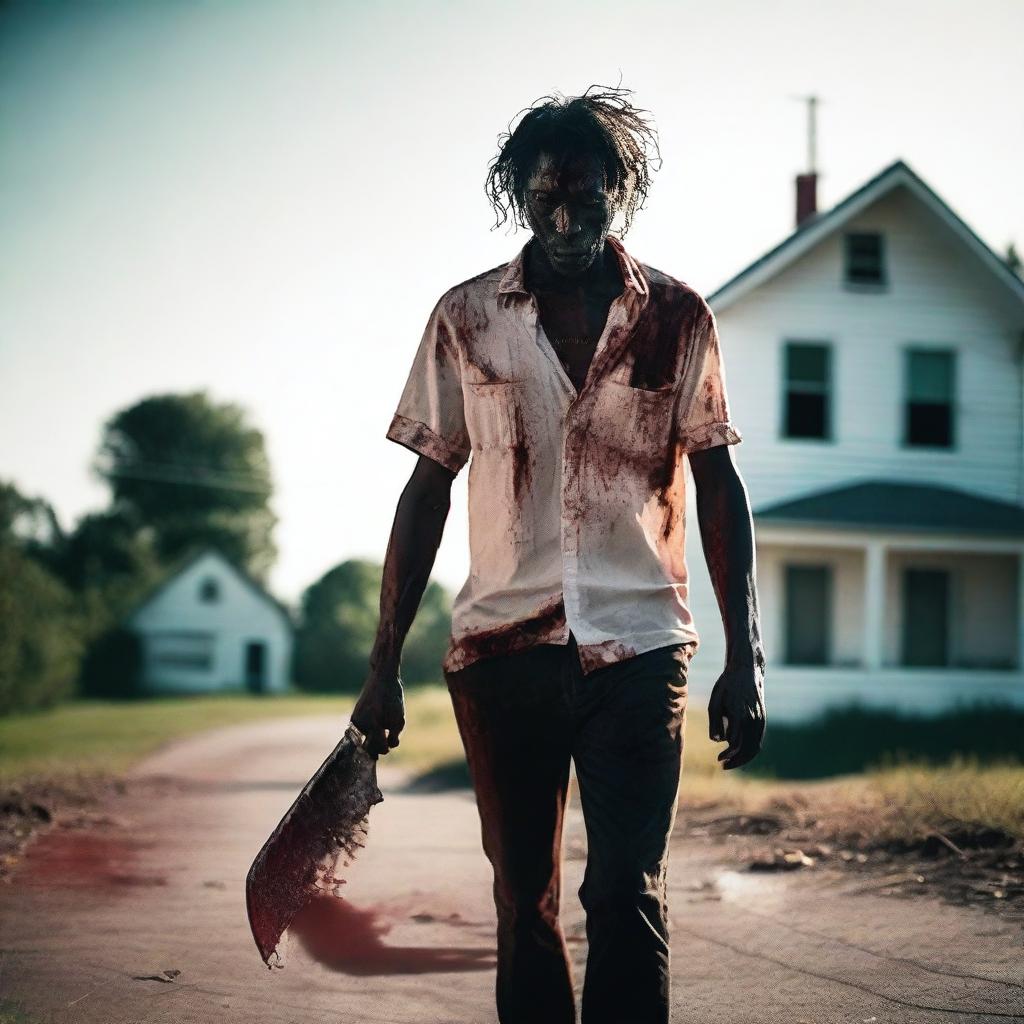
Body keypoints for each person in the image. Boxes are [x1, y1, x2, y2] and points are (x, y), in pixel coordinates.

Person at [351, 85, 766, 1024]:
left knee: (627, 896)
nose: (569, 219)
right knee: (522, 903)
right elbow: (426, 489)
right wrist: (382, 666)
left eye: (589, 196)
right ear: (520, 198)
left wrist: (746, 657)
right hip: (504, 653)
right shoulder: (466, 318)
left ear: (623, 188)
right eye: (548, 201)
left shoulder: (678, 317)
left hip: (640, 647)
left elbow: (721, 486)